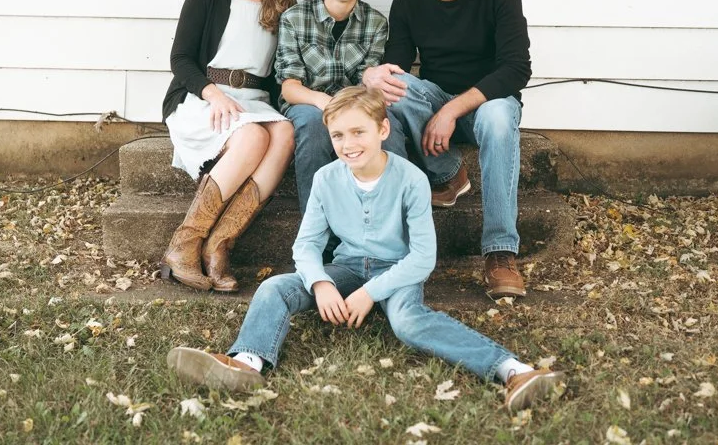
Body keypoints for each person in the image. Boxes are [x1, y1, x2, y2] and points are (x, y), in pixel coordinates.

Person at [166, 86, 565, 414]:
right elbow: (306, 245)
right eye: (338, 135)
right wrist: (321, 283)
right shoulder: (326, 179)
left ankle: (513, 370)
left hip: (397, 271)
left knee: (407, 323)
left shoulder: (410, 179)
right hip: (347, 268)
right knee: (274, 289)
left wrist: (370, 293)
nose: (348, 144)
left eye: (358, 132)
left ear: (383, 131)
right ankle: (246, 361)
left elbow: (422, 259)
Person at [362, 0, 532, 299]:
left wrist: (452, 111)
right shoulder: (408, 0)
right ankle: (445, 178)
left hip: (489, 103)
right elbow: (398, 69)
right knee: (389, 90)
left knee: (500, 118)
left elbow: (516, 68)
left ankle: (500, 253)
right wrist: (372, 76)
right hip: (435, 98)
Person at [161, 0, 298, 292]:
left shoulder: (284, 2)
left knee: (285, 133)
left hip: (255, 101)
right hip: (202, 97)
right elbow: (181, 60)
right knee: (253, 136)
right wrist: (214, 94)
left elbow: (279, 74)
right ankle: (184, 244)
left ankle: (219, 245)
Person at [274, 0, 407, 213]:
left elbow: (368, 82)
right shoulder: (294, 18)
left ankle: (385, 220)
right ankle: (317, 231)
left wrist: (348, 109)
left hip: (356, 103)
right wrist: (323, 101)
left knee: (388, 129)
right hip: (307, 104)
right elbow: (289, 87)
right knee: (313, 125)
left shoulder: (375, 23)